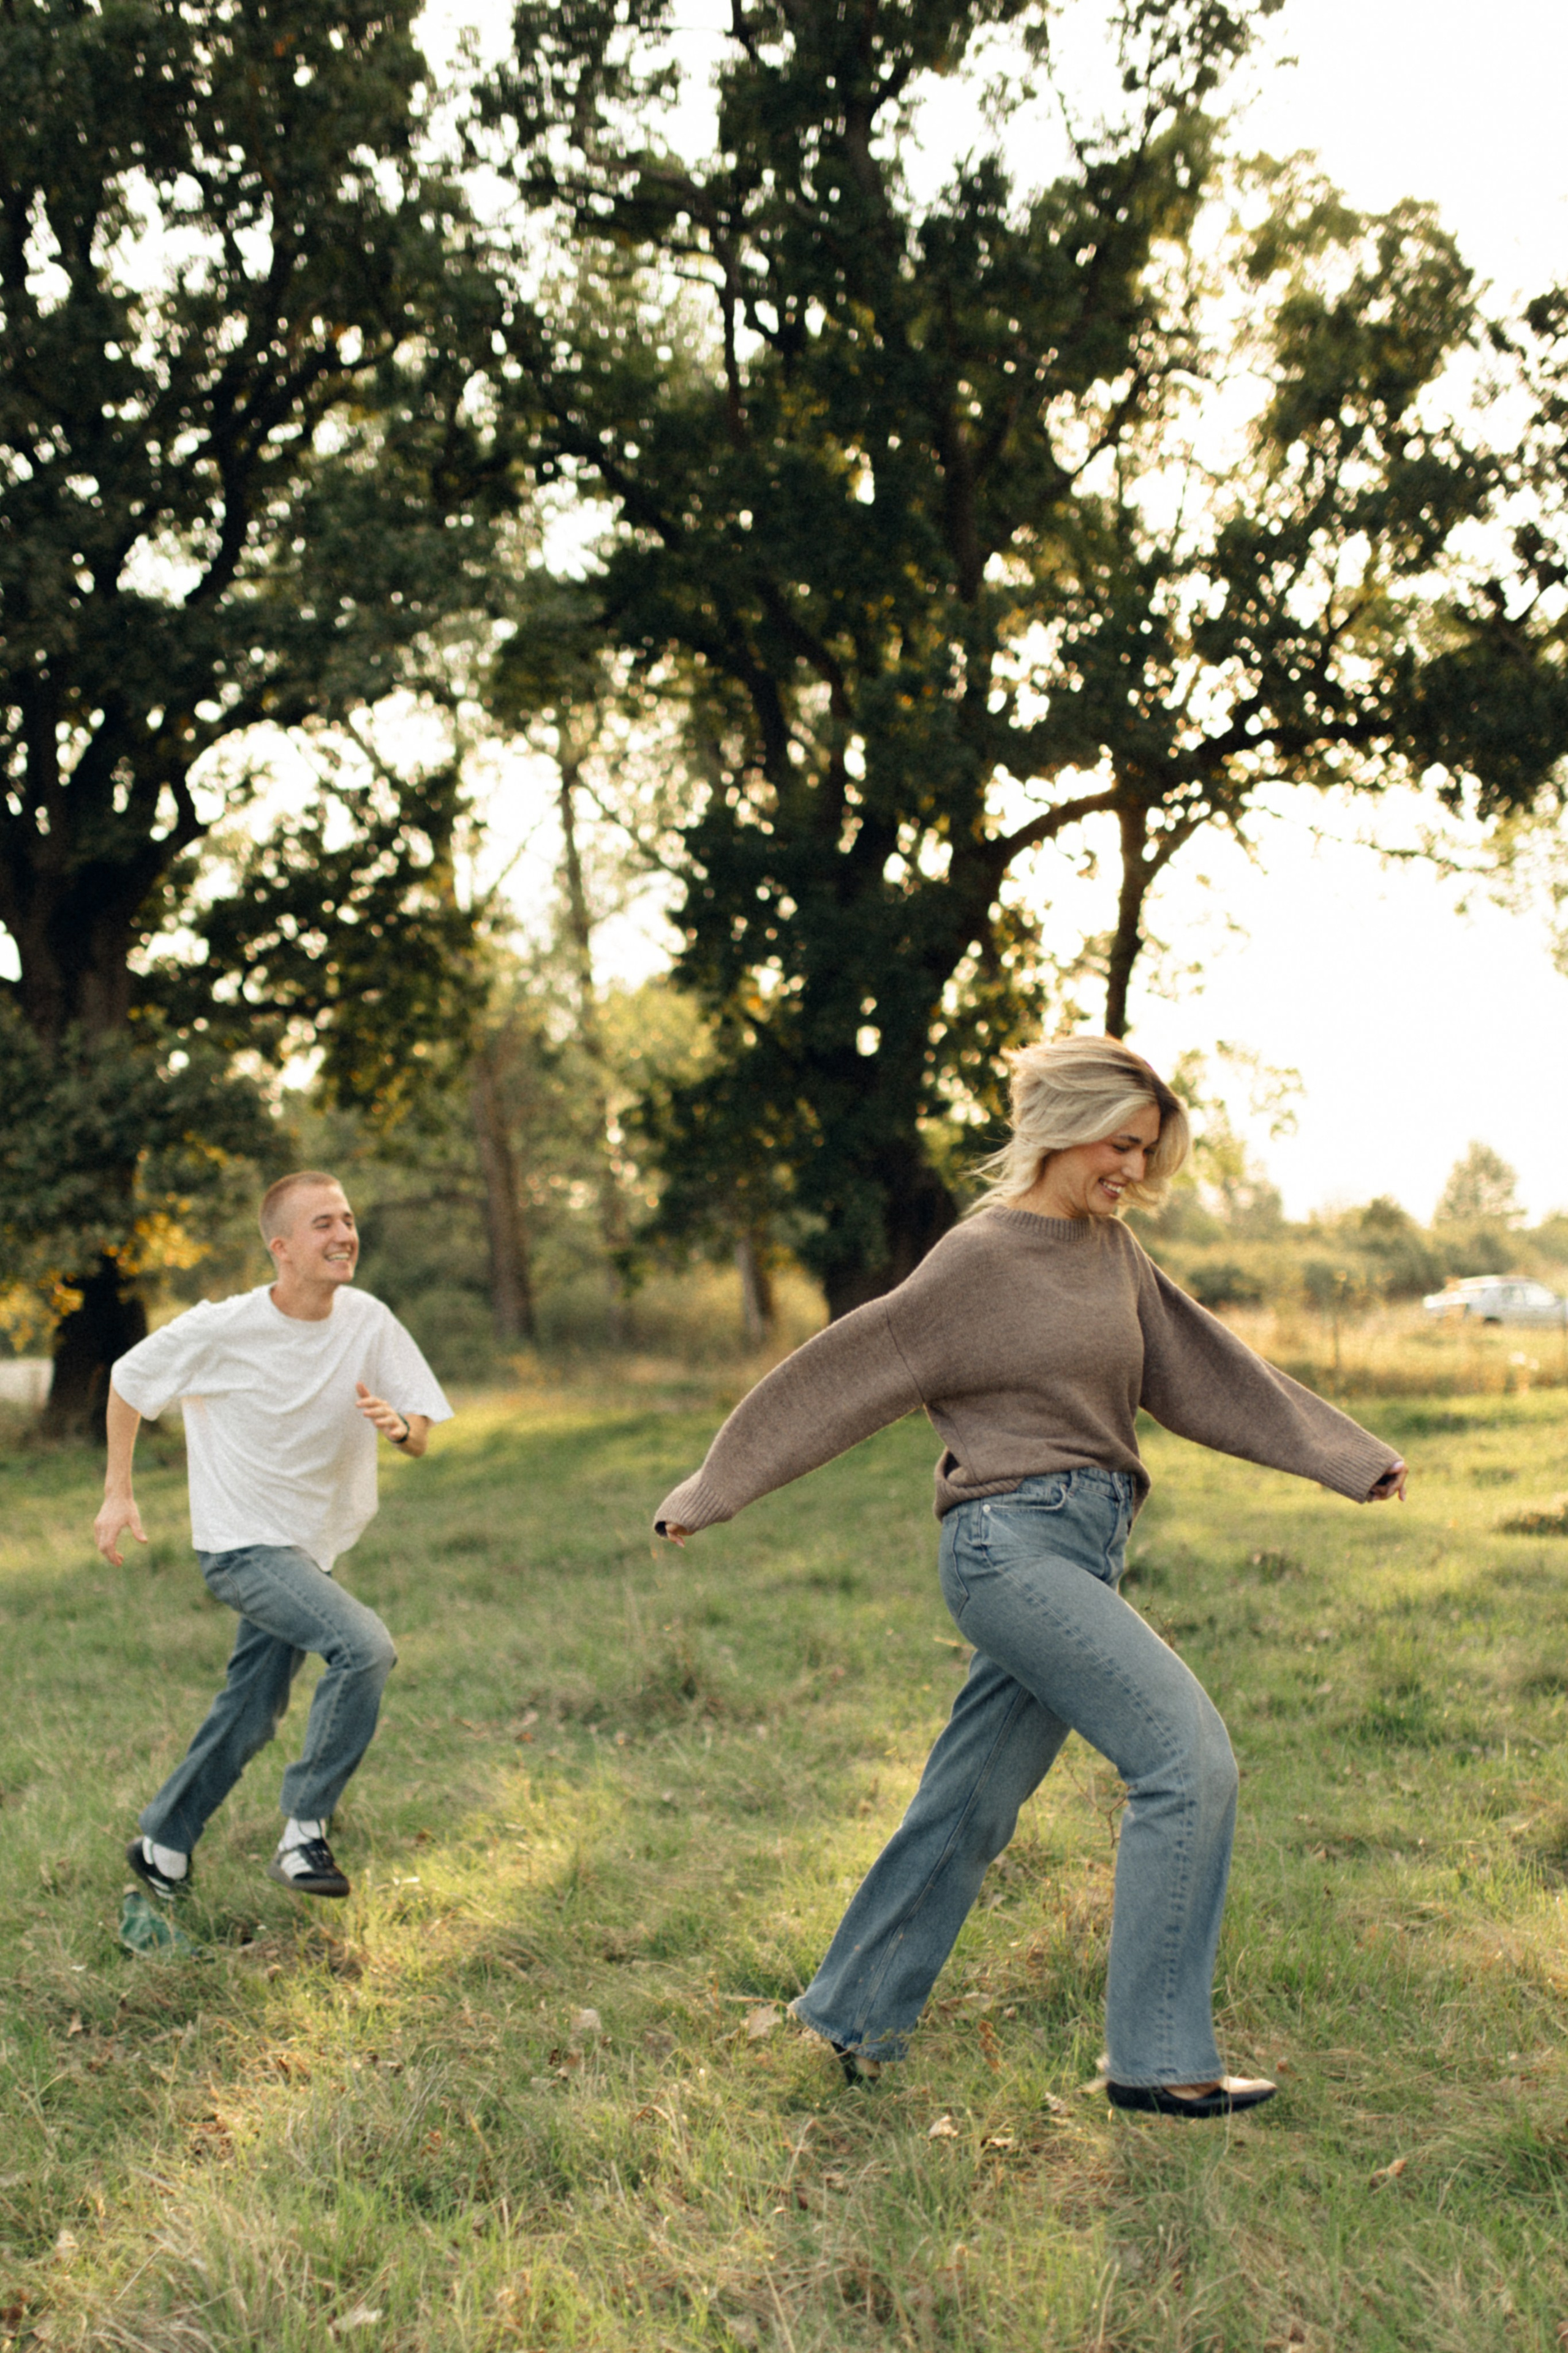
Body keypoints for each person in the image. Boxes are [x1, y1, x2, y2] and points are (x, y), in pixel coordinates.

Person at [654, 1037, 1407, 2120]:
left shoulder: (1115, 1254)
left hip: (1084, 1549)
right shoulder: (980, 1260)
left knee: (971, 1800)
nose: (1134, 1172)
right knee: (1185, 1762)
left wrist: (1347, 1456)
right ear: (1065, 1128)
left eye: (1147, 1153)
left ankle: (852, 2014)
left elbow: (1205, 1368)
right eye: (1121, 1145)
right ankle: (1156, 2061)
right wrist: (715, 1486)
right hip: (1008, 1548)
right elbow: (849, 1369)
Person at [95, 1171, 452, 1902]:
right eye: (323, 1223)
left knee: (252, 1709)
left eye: (348, 1218)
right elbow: (130, 1379)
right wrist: (116, 1492)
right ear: (282, 1248)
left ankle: (163, 1844)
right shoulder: (224, 1327)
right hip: (240, 1546)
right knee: (364, 1647)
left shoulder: (368, 1320)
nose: (344, 1234)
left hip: (305, 1552)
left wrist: (402, 1431)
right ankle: (304, 1832)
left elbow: (421, 1427)